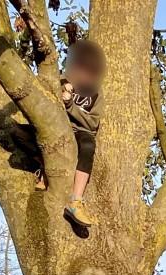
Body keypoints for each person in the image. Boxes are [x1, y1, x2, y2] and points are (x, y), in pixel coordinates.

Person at [59, 39, 105, 228]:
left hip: (81, 133)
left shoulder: (96, 93)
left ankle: (76, 201)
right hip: (58, 128)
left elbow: (92, 122)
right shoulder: (59, 80)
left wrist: (71, 107)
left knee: (88, 145)